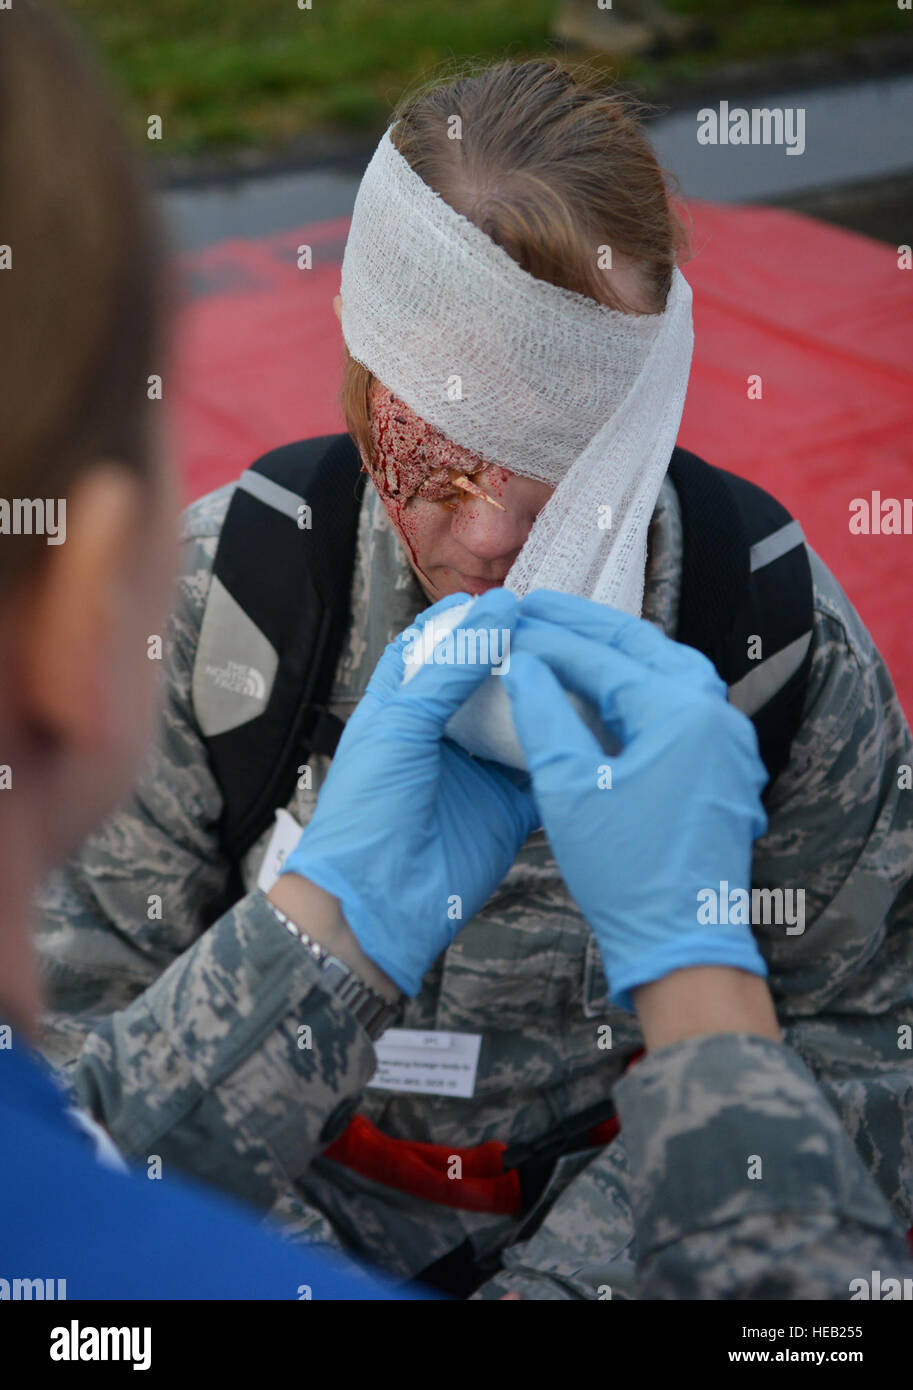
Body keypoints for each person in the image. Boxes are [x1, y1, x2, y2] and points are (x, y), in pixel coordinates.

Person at [34, 51, 913, 1297]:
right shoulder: (226, 601)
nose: (491, 533)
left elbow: (871, 1036)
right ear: (362, 381)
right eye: (438, 461)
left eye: (555, 465)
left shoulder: (768, 646)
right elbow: (74, 1043)